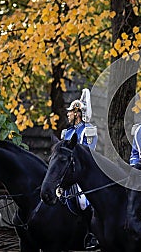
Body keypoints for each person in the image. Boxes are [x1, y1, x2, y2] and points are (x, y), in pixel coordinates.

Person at [61, 88, 98, 250]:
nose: (68, 115)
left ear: (77, 113)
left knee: (83, 202)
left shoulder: (89, 131)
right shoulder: (66, 132)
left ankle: (92, 234)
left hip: (83, 174)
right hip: (66, 173)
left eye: (70, 112)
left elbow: (88, 154)